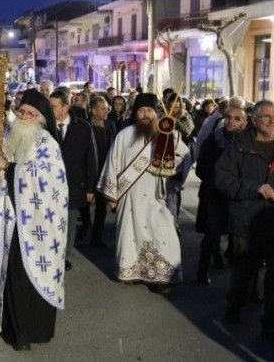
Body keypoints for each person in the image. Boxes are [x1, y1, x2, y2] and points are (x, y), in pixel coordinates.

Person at [0, 89, 68, 350]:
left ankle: (34, 331)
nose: (25, 117)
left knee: (27, 278)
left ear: (41, 119)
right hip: (9, 220)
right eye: (22, 112)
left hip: (38, 225)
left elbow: (45, 180)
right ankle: (16, 331)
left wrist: (8, 167)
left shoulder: (47, 143)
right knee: (13, 276)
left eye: (31, 114)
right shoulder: (11, 138)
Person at [215, 100, 274, 349]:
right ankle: (235, 305)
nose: (271, 121)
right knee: (243, 273)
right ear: (254, 119)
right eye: (266, 116)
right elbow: (222, 179)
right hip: (246, 221)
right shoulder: (238, 147)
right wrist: (254, 187)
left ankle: (273, 327)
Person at [97, 93, 190, 294]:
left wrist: (172, 168)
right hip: (129, 196)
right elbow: (112, 163)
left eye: (149, 110)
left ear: (156, 112)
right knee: (131, 235)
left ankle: (162, 276)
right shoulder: (124, 135)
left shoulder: (167, 134)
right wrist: (112, 195)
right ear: (135, 112)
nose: (145, 115)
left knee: (164, 233)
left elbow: (184, 156)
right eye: (141, 110)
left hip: (157, 195)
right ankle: (132, 272)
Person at [194, 106, 247, 286]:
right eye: (228, 117)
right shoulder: (214, 139)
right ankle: (202, 269)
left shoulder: (249, 142)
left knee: (239, 236)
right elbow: (202, 167)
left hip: (239, 196)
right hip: (217, 194)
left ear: (245, 122)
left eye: (237, 118)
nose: (231, 121)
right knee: (212, 233)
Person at [49, 90, 97, 271]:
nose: (50, 109)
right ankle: (52, 252)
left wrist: (90, 187)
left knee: (69, 221)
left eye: (53, 106)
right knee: (53, 221)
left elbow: (90, 159)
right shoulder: (46, 128)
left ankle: (66, 255)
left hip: (73, 184)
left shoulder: (83, 128)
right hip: (50, 185)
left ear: (65, 107)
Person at [87, 95, 116, 249]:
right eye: (103, 108)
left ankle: (96, 236)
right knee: (85, 204)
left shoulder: (110, 126)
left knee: (101, 206)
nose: (107, 111)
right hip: (89, 171)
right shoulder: (85, 126)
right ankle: (85, 226)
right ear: (93, 110)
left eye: (107, 108)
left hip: (105, 170)